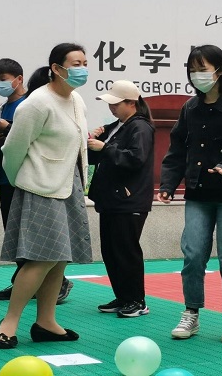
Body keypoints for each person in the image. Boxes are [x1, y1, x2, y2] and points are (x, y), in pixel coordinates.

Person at [158, 44, 222, 343]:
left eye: (202, 69)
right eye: (192, 70)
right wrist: (168, 184)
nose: (197, 75)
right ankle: (191, 313)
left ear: (220, 70)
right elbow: (177, 149)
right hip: (198, 194)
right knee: (192, 255)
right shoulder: (191, 108)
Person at [0, 43, 92, 349]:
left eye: (85, 62)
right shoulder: (36, 103)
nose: (82, 69)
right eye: (76, 63)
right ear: (56, 68)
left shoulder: (77, 100)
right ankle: (9, 322)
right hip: (40, 187)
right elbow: (12, 149)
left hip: (69, 186)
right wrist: (23, 181)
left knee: (60, 259)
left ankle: (46, 322)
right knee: (41, 258)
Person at [0, 58, 74, 303]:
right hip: (7, 177)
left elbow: (34, 137)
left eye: (3, 80)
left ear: (19, 79)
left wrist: (8, 129)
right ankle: (22, 281)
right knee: (15, 234)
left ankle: (58, 283)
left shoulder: (31, 104)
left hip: (28, 179)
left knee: (34, 236)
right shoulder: (3, 107)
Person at [87, 80, 155, 318]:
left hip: (129, 200)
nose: (112, 107)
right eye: (110, 103)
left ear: (131, 103)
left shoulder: (140, 127)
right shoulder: (118, 127)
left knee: (126, 251)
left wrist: (104, 147)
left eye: (116, 104)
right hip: (112, 199)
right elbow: (97, 158)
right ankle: (124, 297)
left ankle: (137, 300)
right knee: (111, 251)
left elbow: (136, 159)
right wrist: (95, 143)